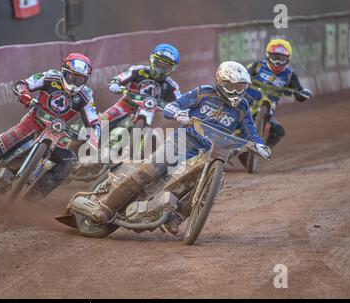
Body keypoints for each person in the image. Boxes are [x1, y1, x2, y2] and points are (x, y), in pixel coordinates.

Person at [90, 61, 271, 234]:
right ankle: (107, 207)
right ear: (220, 82)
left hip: (210, 153)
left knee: (213, 186)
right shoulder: (203, 93)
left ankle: (175, 218)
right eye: (231, 86)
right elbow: (173, 106)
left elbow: (250, 131)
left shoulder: (243, 107)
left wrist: (260, 145)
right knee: (149, 171)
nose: (235, 91)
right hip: (183, 142)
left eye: (240, 87)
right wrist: (178, 113)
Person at [0, 53, 100, 203]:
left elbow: (94, 121)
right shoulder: (50, 77)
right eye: (71, 76)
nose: (74, 82)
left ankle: (32, 200)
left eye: (79, 79)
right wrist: (25, 95)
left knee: (68, 160)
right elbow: (22, 84)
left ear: (85, 80)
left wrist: (94, 138)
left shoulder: (86, 96)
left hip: (55, 135)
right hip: (31, 123)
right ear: (64, 72)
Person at [239, 39, 312, 167]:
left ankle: (252, 154)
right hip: (247, 101)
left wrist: (302, 94)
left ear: (288, 59)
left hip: (268, 108)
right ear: (268, 56)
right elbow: (242, 74)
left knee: (278, 131)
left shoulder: (289, 75)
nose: (277, 62)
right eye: (274, 58)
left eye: (281, 59)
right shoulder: (258, 65)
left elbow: (299, 91)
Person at [102, 43, 181, 127]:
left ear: (172, 68)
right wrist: (115, 85)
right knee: (102, 121)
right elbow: (118, 79)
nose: (160, 69)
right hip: (126, 105)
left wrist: (183, 111)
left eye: (165, 67)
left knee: (153, 138)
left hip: (150, 115)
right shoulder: (138, 70)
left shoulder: (172, 86)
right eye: (159, 64)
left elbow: (181, 102)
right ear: (152, 60)